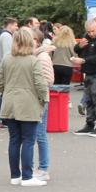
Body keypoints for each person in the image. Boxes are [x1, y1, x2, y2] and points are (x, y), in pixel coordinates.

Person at [0, 28, 48, 187]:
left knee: (14, 140)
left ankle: (15, 176)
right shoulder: (33, 61)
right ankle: (27, 176)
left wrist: (10, 91)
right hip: (28, 105)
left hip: (10, 104)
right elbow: (40, 84)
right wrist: (43, 99)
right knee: (28, 141)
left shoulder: (6, 59)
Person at [72, 20, 96, 137]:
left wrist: (84, 60)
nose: (91, 34)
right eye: (88, 32)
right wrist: (79, 46)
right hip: (89, 73)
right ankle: (89, 124)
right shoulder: (86, 37)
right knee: (89, 99)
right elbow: (76, 50)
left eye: (93, 31)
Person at [31, 28, 54, 182]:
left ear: (37, 41)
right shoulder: (35, 56)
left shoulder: (42, 57)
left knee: (40, 135)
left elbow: (48, 80)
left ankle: (44, 168)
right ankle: (36, 167)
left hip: (40, 100)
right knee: (35, 135)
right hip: (35, 99)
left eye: (31, 38)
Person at [0, 18, 18, 129]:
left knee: (6, 94)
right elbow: (8, 55)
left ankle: (4, 120)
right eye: (15, 25)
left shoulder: (3, 35)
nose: (16, 28)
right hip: (6, 70)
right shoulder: (6, 36)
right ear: (10, 25)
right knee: (5, 94)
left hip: (3, 68)